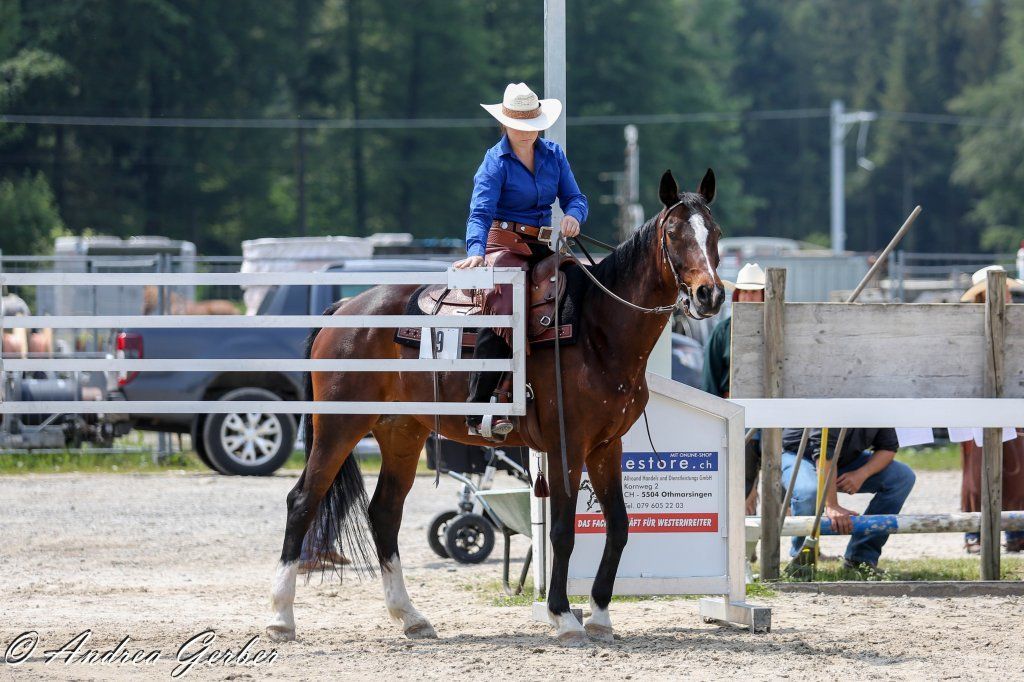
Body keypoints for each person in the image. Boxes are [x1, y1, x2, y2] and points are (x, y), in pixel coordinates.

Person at [454, 82, 588, 440]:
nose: (528, 133)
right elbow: (479, 213)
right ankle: (481, 404)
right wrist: (475, 252)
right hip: (504, 243)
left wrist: (574, 215)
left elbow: (575, 197)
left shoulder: (554, 155)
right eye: (520, 126)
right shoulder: (494, 162)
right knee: (504, 306)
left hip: (542, 245)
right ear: (506, 125)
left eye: (533, 125)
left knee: (582, 287)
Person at [780, 428, 915, 574]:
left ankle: (860, 559)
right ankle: (802, 562)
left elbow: (888, 447)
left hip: (844, 458)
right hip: (799, 454)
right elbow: (824, 451)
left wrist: (861, 474)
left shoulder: (881, 406)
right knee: (809, 491)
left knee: (902, 477)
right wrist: (832, 505)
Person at [959, 265, 1024, 553]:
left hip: (1013, 398)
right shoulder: (967, 326)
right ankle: (974, 530)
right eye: (1003, 291)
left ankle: (1015, 531)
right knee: (976, 471)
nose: (1007, 296)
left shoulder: (1017, 322)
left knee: (1017, 468)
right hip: (977, 401)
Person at [702, 263, 765, 506]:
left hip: (774, 412)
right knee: (741, 485)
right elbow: (710, 382)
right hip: (736, 411)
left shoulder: (779, 328)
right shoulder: (723, 332)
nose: (749, 297)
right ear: (738, 296)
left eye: (754, 292)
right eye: (745, 292)